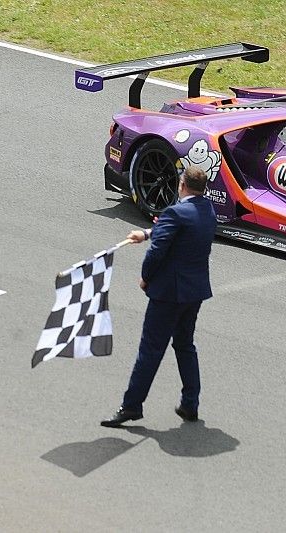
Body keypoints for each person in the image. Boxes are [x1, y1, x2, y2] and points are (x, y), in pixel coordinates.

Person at [102, 165, 217, 427]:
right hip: (194, 292)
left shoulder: (174, 213)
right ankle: (190, 403)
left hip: (168, 293)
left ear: (182, 185)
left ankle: (132, 406)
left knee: (150, 350)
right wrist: (146, 233)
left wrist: (146, 278)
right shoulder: (207, 210)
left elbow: (157, 253)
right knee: (185, 346)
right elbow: (181, 230)